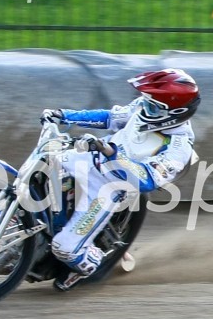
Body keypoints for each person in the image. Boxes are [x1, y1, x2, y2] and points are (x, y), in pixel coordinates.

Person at [39, 68, 200, 290]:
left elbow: (148, 180)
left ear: (174, 112)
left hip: (109, 187)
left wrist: (112, 154)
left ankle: (92, 261)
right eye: (145, 100)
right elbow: (110, 117)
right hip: (89, 158)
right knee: (44, 164)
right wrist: (64, 115)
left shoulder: (178, 147)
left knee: (64, 248)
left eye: (152, 105)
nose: (143, 107)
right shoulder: (145, 108)